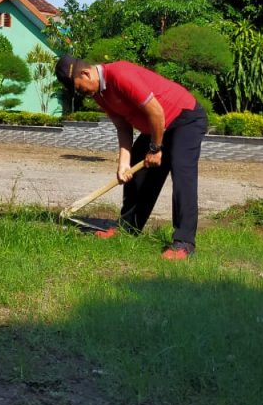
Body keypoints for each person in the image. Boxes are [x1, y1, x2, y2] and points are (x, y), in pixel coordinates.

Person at [55, 55, 208, 260]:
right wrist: (123, 164)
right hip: (156, 127)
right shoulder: (100, 94)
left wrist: (155, 148)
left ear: (85, 73)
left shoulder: (120, 74)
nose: (84, 94)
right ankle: (128, 228)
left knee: (182, 175)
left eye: (81, 88)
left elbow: (156, 111)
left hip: (184, 118)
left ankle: (184, 243)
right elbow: (123, 127)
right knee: (137, 172)